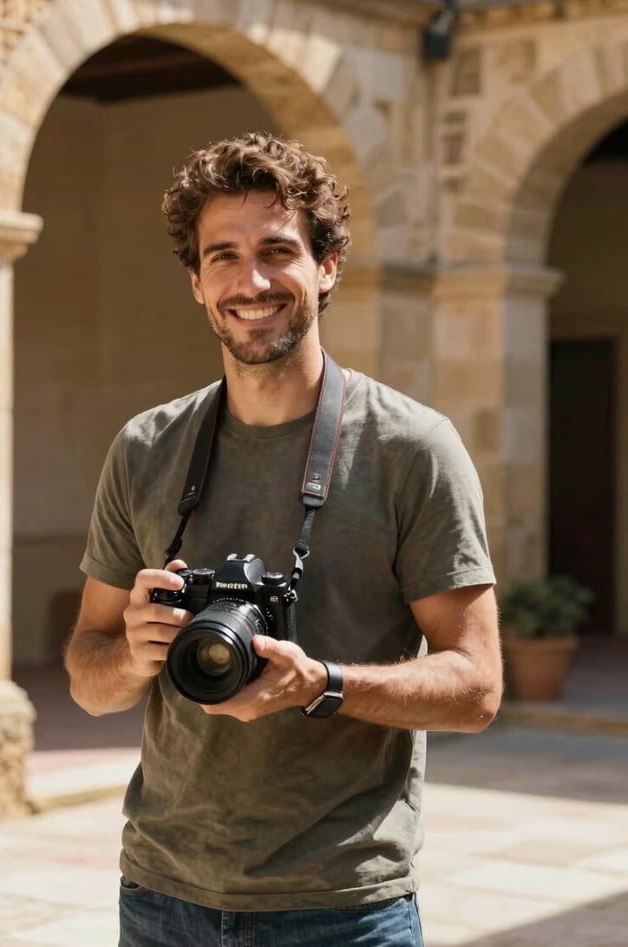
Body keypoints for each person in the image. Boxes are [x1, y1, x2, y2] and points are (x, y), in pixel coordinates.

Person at [65, 132, 503, 947]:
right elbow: (91, 681)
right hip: (162, 897)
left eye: (278, 251)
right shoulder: (145, 448)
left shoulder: (412, 448)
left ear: (327, 264)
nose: (251, 281)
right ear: (196, 282)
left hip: (342, 906)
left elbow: (477, 686)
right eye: (223, 256)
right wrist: (133, 652)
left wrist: (322, 681)